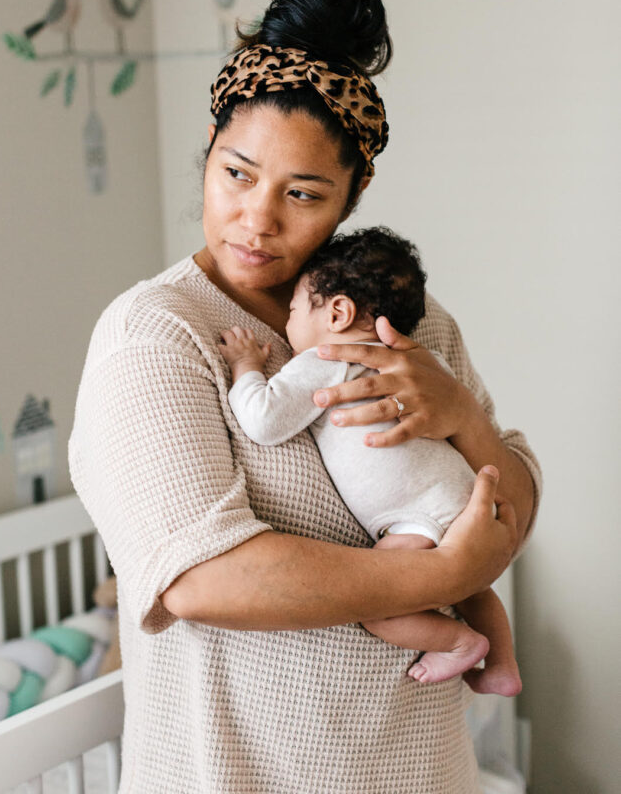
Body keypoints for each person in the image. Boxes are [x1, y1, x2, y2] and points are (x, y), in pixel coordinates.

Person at [69, 0, 541, 793]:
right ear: (209, 151)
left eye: (303, 194)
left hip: (422, 770)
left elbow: (510, 497)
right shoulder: (157, 333)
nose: (257, 218)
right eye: (237, 174)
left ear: (353, 196)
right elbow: (200, 579)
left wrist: (459, 413)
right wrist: (443, 576)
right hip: (240, 775)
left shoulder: (406, 319)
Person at [219, 226, 522, 695]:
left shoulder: (325, 358)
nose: (286, 323)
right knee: (474, 585)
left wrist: (246, 366)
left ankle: (459, 644)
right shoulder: (425, 361)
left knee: (378, 602)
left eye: (294, 309)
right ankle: (503, 663)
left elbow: (263, 420)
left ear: (337, 312)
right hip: (462, 492)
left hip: (415, 515)